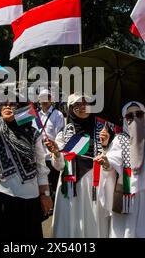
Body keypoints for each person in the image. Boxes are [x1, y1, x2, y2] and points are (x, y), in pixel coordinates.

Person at [0, 66, 52, 239]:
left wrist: (45, 195)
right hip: (0, 197)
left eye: (13, 104)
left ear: (22, 110)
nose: (8, 107)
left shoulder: (33, 134)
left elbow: (41, 167)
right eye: (5, 104)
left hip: (30, 200)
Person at [95, 101, 145, 238]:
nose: (135, 118)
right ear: (124, 119)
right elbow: (111, 164)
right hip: (127, 196)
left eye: (139, 114)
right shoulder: (119, 140)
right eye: (130, 116)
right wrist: (106, 162)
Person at [44, 93, 111, 238]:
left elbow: (111, 163)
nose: (82, 107)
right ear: (70, 109)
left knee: (94, 226)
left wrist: (105, 146)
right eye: (77, 105)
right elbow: (59, 165)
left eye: (85, 103)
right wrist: (56, 152)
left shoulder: (104, 131)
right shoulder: (64, 133)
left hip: (95, 187)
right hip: (70, 189)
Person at [33, 89, 65, 198]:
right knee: (42, 185)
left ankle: (53, 205)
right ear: (39, 100)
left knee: (54, 184)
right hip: (39, 156)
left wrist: (55, 151)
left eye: (47, 98)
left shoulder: (58, 114)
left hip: (51, 156)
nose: (44, 101)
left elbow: (59, 135)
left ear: (51, 100)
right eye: (42, 98)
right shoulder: (35, 115)